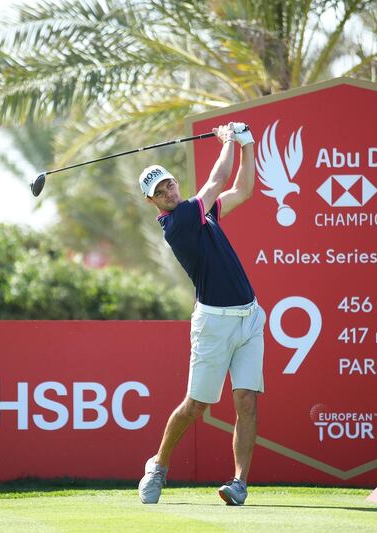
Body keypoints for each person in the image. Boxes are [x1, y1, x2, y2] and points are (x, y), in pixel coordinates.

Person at [137, 122, 265, 506]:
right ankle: (158, 465)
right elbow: (217, 179)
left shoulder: (203, 214)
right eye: (159, 193)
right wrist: (228, 141)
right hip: (213, 323)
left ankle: (240, 483)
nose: (168, 193)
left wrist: (248, 145)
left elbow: (242, 189)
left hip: (250, 317)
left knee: (246, 401)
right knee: (196, 405)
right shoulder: (178, 222)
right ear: (153, 203)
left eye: (169, 184)